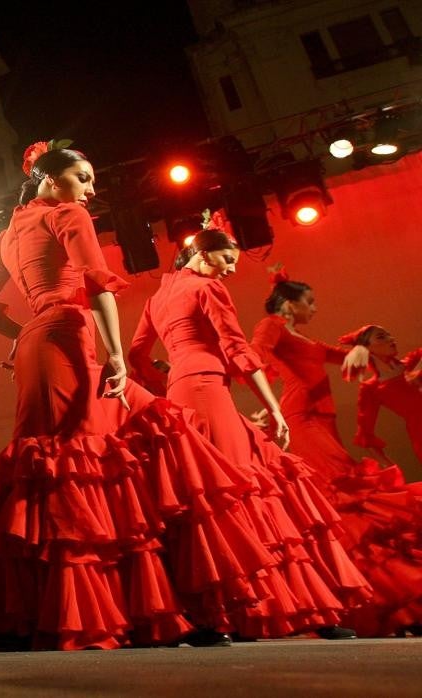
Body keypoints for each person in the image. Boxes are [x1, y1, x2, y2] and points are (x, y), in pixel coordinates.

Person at [0, 141, 285, 651]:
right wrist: (115, 354)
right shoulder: (66, 214)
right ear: (50, 179)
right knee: (88, 459)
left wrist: (24, 331)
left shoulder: (6, 233)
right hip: (71, 333)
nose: (90, 188)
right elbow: (97, 284)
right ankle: (77, 609)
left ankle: (38, 609)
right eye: (82, 177)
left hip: (42, 341)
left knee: (77, 461)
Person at [130, 230, 370, 640]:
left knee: (204, 497)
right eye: (227, 258)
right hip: (209, 391)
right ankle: (281, 610)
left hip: (181, 393)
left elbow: (136, 354)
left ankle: (218, 615)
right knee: (244, 490)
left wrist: (165, 376)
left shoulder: (157, 298)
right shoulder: (208, 289)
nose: (233, 268)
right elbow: (237, 348)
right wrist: (275, 408)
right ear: (203, 254)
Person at [253, 274, 422, 637]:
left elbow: (339, 356)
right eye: (309, 302)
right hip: (302, 419)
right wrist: (270, 404)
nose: (314, 309)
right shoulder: (271, 326)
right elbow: (255, 357)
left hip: (324, 420)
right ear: (288, 303)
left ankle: (384, 600)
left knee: (349, 505)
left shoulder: (302, 337)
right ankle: (360, 603)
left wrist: (361, 350)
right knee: (341, 502)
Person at [346, 324, 422, 466]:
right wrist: (390, 468)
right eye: (381, 337)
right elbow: (365, 435)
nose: (390, 339)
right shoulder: (371, 388)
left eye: (389, 335)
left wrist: (417, 371)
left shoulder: (412, 362)